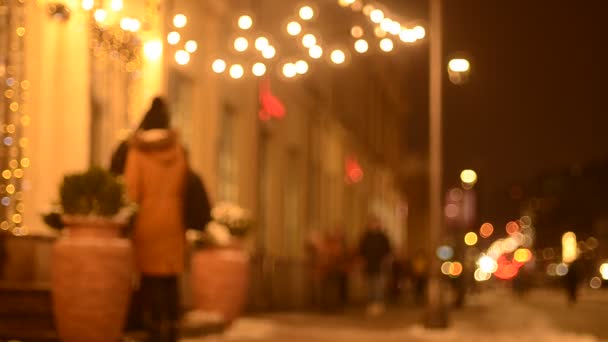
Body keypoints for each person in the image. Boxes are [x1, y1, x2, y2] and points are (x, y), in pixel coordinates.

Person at [123, 97, 187, 342]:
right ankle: (172, 324)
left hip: (148, 219)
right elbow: (183, 185)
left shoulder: (138, 152)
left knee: (150, 276)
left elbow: (132, 190)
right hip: (173, 219)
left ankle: (154, 324)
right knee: (170, 276)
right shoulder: (178, 151)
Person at [358, 216, 392, 316]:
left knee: (379, 286)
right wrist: (362, 261)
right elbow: (361, 250)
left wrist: (386, 261)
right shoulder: (366, 237)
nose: (374, 225)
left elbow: (388, 251)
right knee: (370, 286)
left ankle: (378, 304)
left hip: (380, 266)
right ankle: (370, 304)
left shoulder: (383, 237)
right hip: (369, 266)